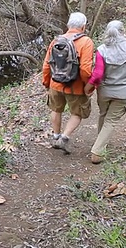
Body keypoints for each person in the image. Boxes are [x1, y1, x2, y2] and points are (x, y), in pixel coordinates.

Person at [84, 20, 126, 164]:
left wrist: (89, 87)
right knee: (111, 120)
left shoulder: (102, 50)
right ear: (123, 31)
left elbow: (98, 74)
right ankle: (97, 152)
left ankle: (101, 142)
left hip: (105, 91)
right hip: (124, 92)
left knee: (103, 114)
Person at [42, 12, 95, 153]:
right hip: (75, 87)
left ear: (68, 25)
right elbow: (85, 69)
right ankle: (64, 138)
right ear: (83, 27)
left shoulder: (56, 41)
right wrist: (87, 86)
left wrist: (46, 83)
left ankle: (55, 136)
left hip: (55, 83)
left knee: (56, 109)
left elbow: (47, 65)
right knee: (77, 113)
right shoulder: (86, 42)